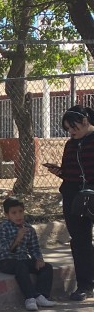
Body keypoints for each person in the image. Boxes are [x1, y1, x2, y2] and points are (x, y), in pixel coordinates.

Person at [47, 105, 94, 301]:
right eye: (68, 129)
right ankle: (84, 285)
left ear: (85, 121)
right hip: (74, 197)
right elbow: (69, 171)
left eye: (73, 127)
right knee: (80, 241)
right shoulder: (70, 144)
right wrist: (59, 172)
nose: (71, 132)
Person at [0, 197, 56, 311]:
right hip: (5, 260)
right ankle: (30, 297)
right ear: (7, 215)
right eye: (14, 213)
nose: (18, 216)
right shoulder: (3, 228)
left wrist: (38, 259)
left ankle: (42, 296)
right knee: (20, 267)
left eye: (20, 212)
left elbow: (34, 247)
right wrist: (18, 238)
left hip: (22, 259)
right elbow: (5, 250)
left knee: (47, 267)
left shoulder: (29, 228)